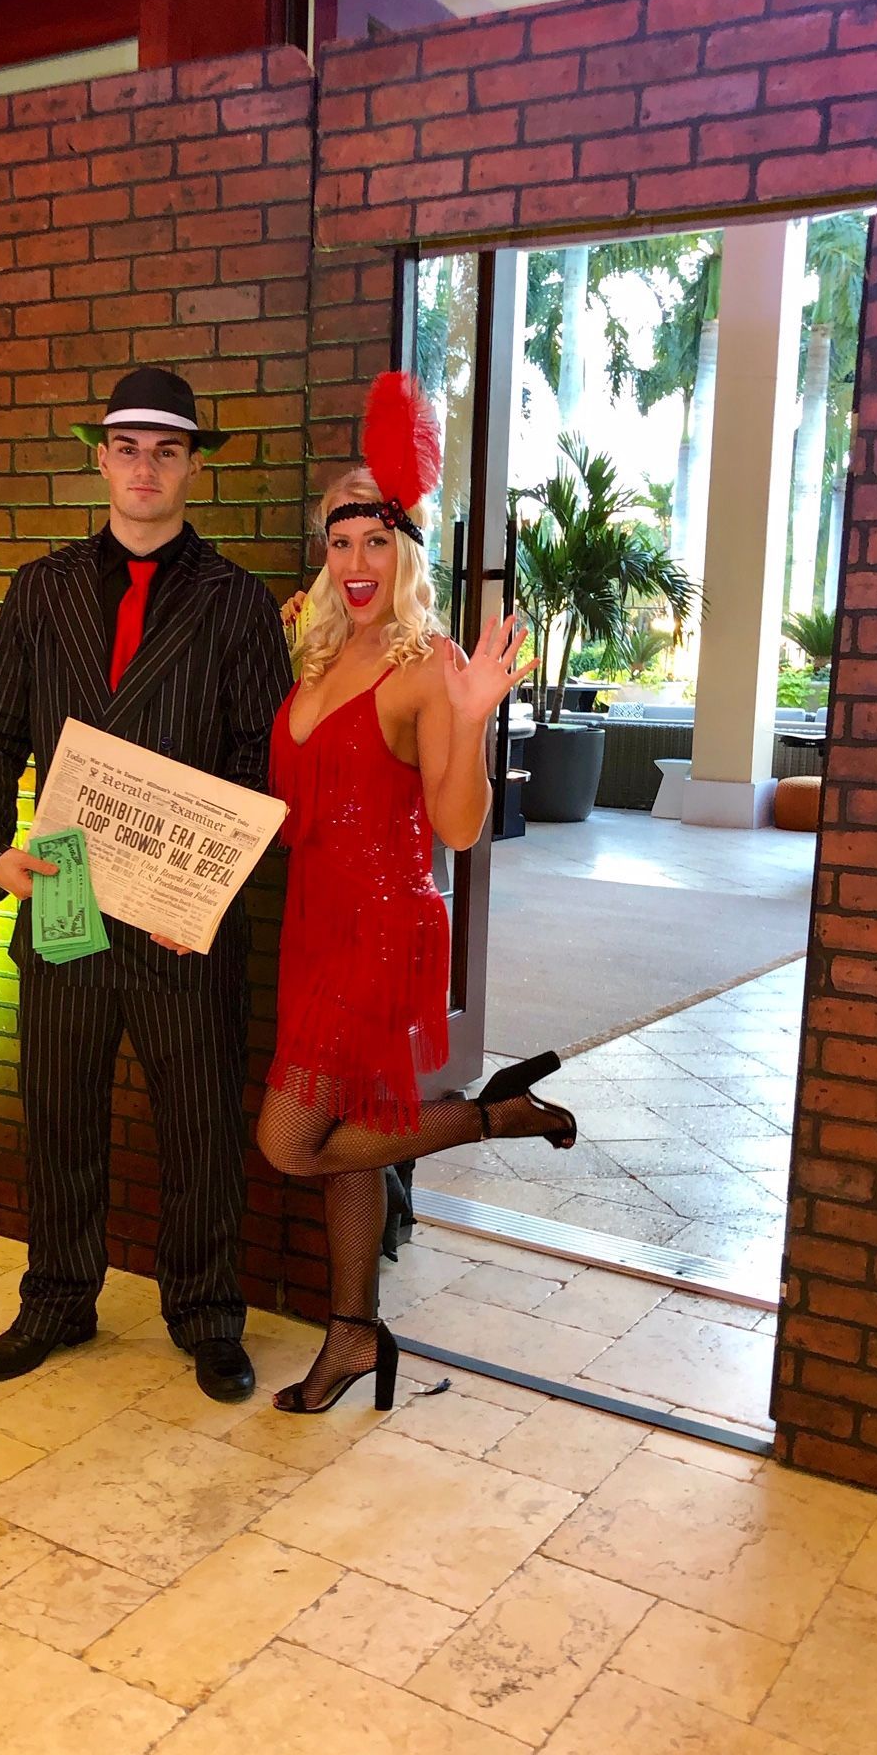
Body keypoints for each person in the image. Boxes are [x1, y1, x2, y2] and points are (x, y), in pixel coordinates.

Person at [0, 366, 293, 1401]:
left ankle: (205, 1315)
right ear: (100, 457)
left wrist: (212, 888)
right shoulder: (40, 587)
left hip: (180, 906)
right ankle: (57, 1298)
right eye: (128, 447)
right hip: (59, 883)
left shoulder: (235, 602)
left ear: (194, 467)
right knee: (59, 1112)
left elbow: (260, 760)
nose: (146, 468)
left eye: (168, 449)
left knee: (198, 1124)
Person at [259, 372, 579, 1414]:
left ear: (406, 552)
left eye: (376, 541)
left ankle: (483, 1118)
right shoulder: (317, 649)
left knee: (289, 1140)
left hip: (378, 930)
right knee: (346, 1146)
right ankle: (353, 1335)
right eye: (340, 541)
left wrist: (475, 710)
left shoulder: (426, 663)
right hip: (313, 919)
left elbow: (456, 825)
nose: (356, 563)